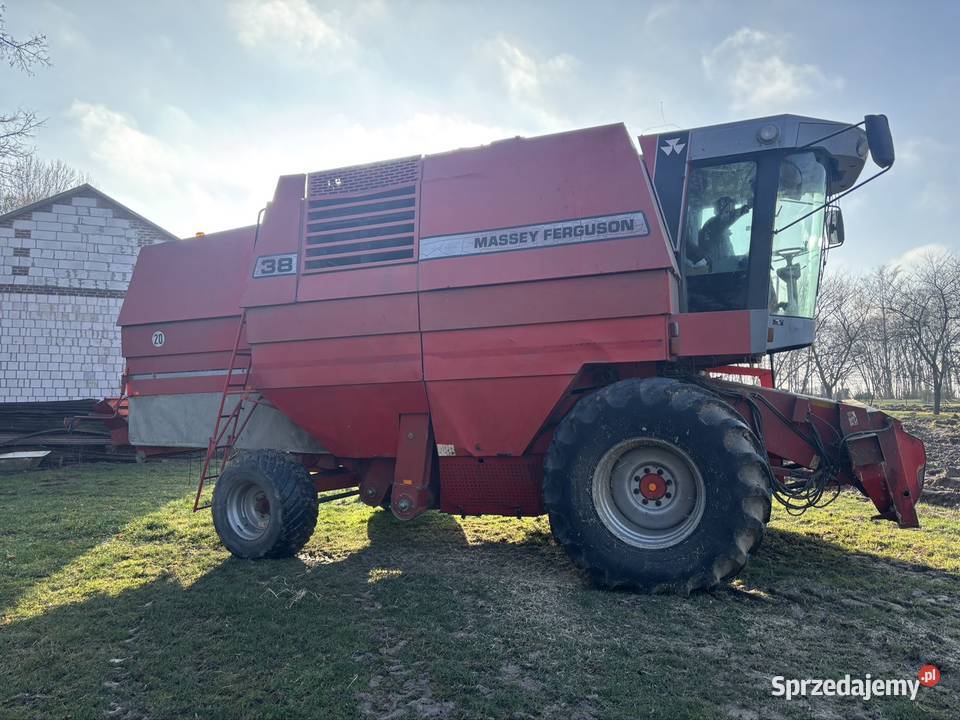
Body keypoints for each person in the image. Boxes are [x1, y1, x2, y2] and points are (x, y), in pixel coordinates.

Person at [688, 196, 751, 268]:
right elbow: (725, 220)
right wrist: (744, 209)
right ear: (720, 211)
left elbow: (729, 255)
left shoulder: (722, 233)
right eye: (728, 210)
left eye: (731, 209)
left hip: (724, 268)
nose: (730, 213)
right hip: (717, 270)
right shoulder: (712, 225)